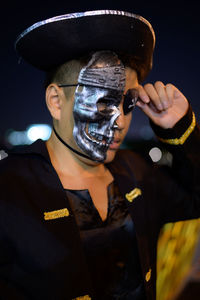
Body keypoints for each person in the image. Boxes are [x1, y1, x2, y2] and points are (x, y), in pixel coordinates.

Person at [0, 9, 200, 300]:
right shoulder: (10, 191)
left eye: (128, 103)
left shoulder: (137, 173)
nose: (120, 120)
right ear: (56, 102)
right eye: (104, 100)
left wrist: (180, 129)